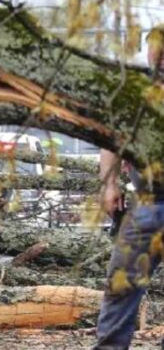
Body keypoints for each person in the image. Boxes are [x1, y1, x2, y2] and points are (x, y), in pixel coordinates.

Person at [94, 28, 164, 349]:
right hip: (147, 202)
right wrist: (109, 184)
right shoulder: (135, 93)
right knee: (121, 284)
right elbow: (110, 138)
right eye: (155, 49)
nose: (159, 56)